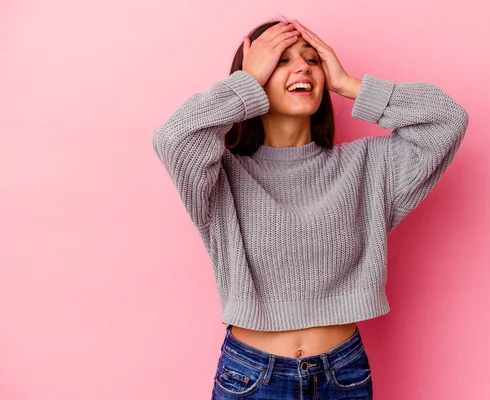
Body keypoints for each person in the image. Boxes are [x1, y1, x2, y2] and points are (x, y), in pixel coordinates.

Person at [152, 16, 469, 400]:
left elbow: (447, 120)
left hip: (344, 375)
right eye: (280, 60)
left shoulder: (368, 167)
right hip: (251, 377)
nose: (301, 66)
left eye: (312, 59)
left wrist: (349, 85)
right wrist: (244, 85)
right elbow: (174, 138)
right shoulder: (222, 176)